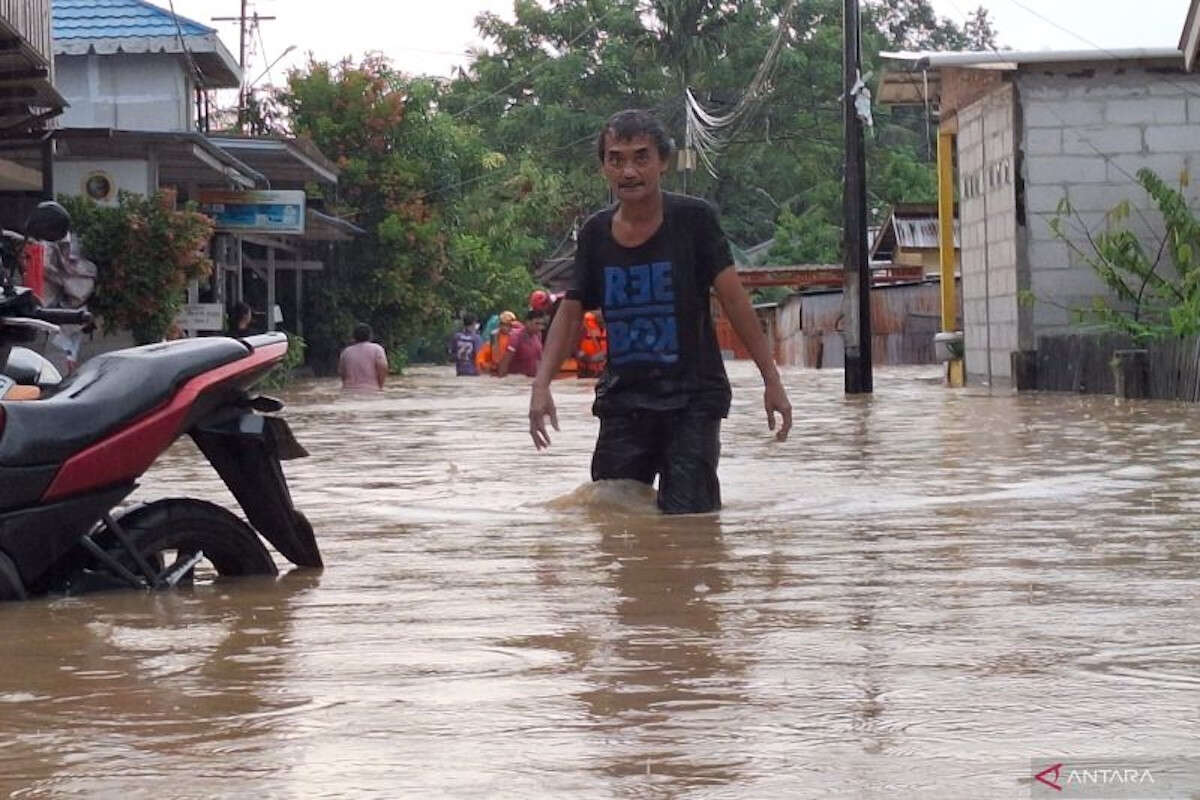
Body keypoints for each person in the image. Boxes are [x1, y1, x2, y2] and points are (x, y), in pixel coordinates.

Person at [527, 108, 792, 514]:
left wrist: (771, 379)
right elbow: (571, 311)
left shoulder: (694, 220)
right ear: (604, 168)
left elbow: (735, 300)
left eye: (640, 157)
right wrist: (541, 385)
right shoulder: (597, 233)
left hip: (692, 400)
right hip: (624, 400)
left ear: (662, 162)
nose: (628, 171)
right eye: (616, 158)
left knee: (690, 523)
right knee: (612, 517)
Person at [339, 322, 388, 392]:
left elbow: (342, 371)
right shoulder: (377, 349)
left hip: (348, 390)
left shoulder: (346, 351)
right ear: (370, 335)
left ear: (354, 336)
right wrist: (380, 386)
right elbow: (383, 367)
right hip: (371, 390)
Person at [497, 309, 547, 377]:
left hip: (531, 379)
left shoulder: (538, 335)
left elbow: (539, 359)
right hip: (516, 380)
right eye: (537, 323)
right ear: (527, 322)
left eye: (542, 324)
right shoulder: (516, 337)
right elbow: (505, 363)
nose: (540, 327)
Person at [475, 310, 519, 374]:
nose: (506, 327)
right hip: (496, 370)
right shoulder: (494, 336)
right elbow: (481, 359)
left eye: (509, 325)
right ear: (500, 324)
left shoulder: (516, 337)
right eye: (504, 324)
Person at [575, 310, 608, 378]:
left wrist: (607, 354)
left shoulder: (617, 322)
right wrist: (588, 358)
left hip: (609, 373)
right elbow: (571, 347)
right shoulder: (582, 322)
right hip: (585, 373)